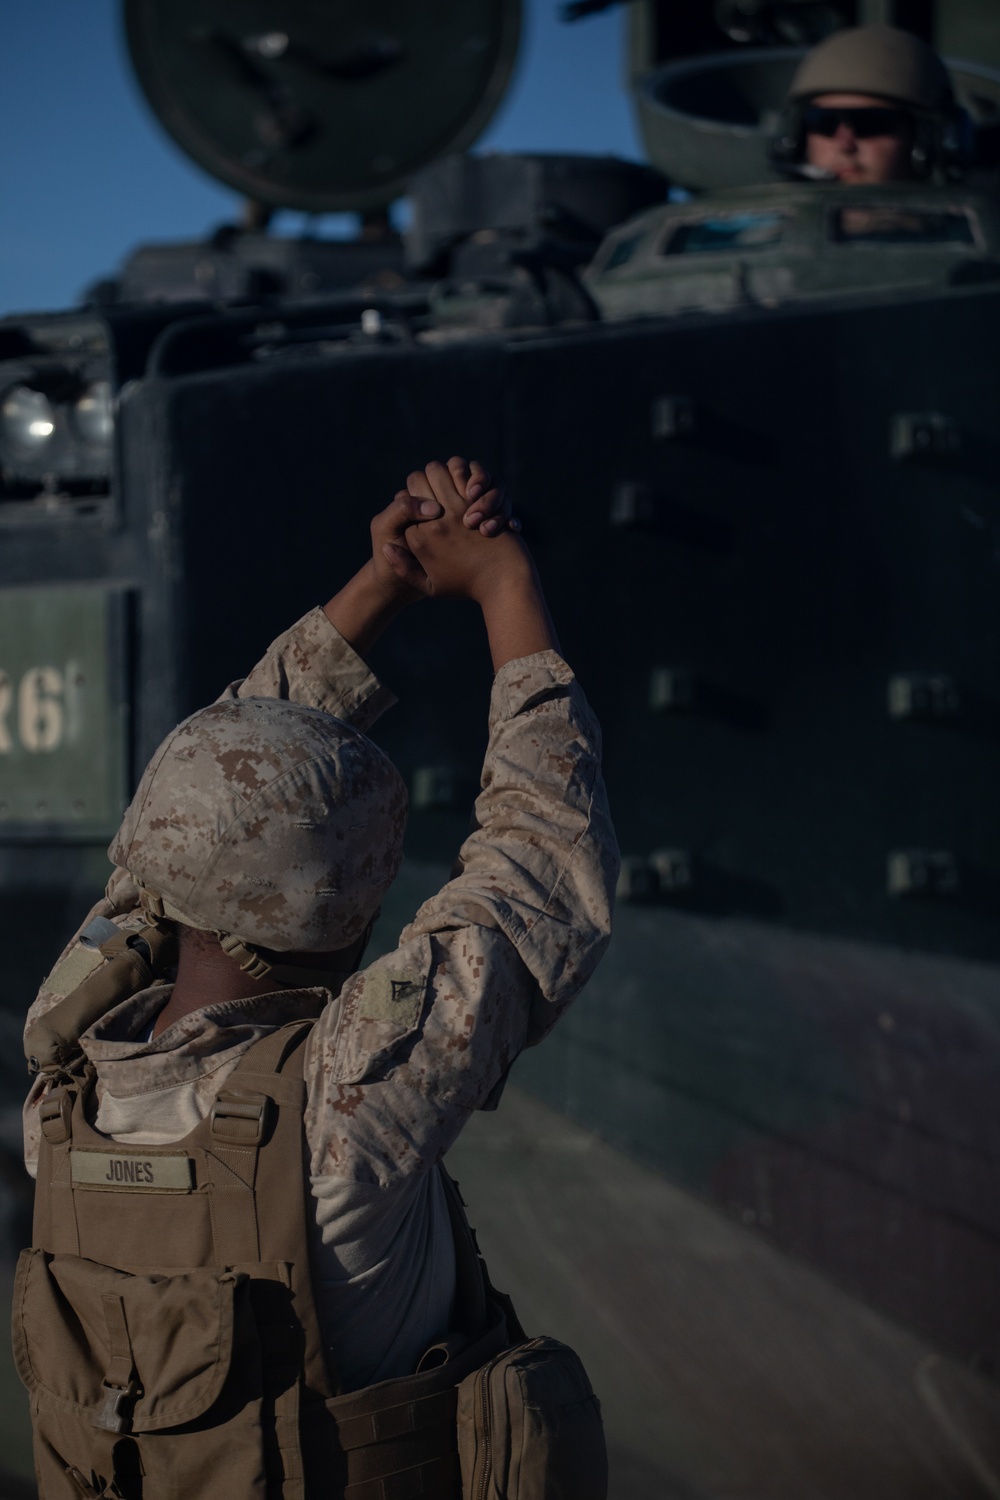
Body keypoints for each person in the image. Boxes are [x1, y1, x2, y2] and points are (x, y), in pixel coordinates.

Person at [18, 458, 619, 1497]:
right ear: (348, 909)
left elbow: (209, 798)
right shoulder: (343, 1110)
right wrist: (503, 584)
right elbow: (539, 869)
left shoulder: (62, 1085)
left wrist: (380, 583)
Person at [773, 23, 964, 184]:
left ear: (926, 140)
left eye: (869, 123)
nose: (844, 145)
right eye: (824, 122)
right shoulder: (756, 225)